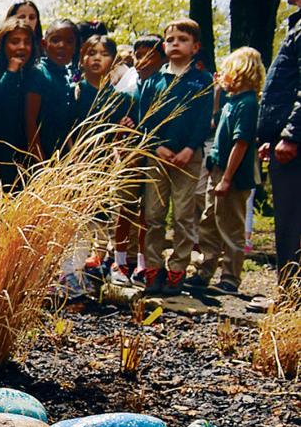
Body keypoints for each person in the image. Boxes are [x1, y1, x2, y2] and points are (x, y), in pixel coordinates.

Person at [135, 17, 214, 292]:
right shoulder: (153, 81)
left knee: (183, 215)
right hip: (157, 156)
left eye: (183, 39)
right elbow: (145, 120)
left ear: (195, 47)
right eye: (170, 40)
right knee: (153, 215)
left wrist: (190, 148)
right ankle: (153, 268)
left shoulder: (202, 80)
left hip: (187, 158)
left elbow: (203, 119)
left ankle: (177, 269)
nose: (175, 44)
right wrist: (156, 146)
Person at [193, 47, 264, 292]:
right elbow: (214, 123)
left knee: (231, 225)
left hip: (233, 175)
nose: (223, 75)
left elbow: (240, 143)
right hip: (216, 170)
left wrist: (226, 178)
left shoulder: (248, 103)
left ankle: (230, 278)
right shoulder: (231, 101)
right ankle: (204, 270)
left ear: (240, 71)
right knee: (209, 221)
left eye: (227, 70)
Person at [70, 34, 138, 283]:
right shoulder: (74, 93)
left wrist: (126, 127)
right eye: (91, 53)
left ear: (114, 61)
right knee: (75, 219)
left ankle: (93, 266)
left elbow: (126, 135)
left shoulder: (121, 98)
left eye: (104, 54)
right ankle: (71, 272)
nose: (97, 58)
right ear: (82, 59)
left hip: (104, 166)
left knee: (98, 217)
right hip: (74, 165)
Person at [259, 0, 301, 283]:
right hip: (285, 142)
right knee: (288, 221)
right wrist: (272, 137)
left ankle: (290, 296)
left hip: (295, 146)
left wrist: (291, 135)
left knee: (293, 222)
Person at [0, 17, 36, 192]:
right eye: (15, 42)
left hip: (23, 154)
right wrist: (11, 72)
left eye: (27, 42)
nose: (22, 47)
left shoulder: (33, 75)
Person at [26, 17, 77, 163]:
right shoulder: (39, 73)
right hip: (42, 157)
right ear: (44, 44)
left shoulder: (67, 76)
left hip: (61, 157)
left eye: (69, 42)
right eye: (55, 40)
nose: (62, 46)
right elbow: (30, 121)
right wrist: (39, 161)